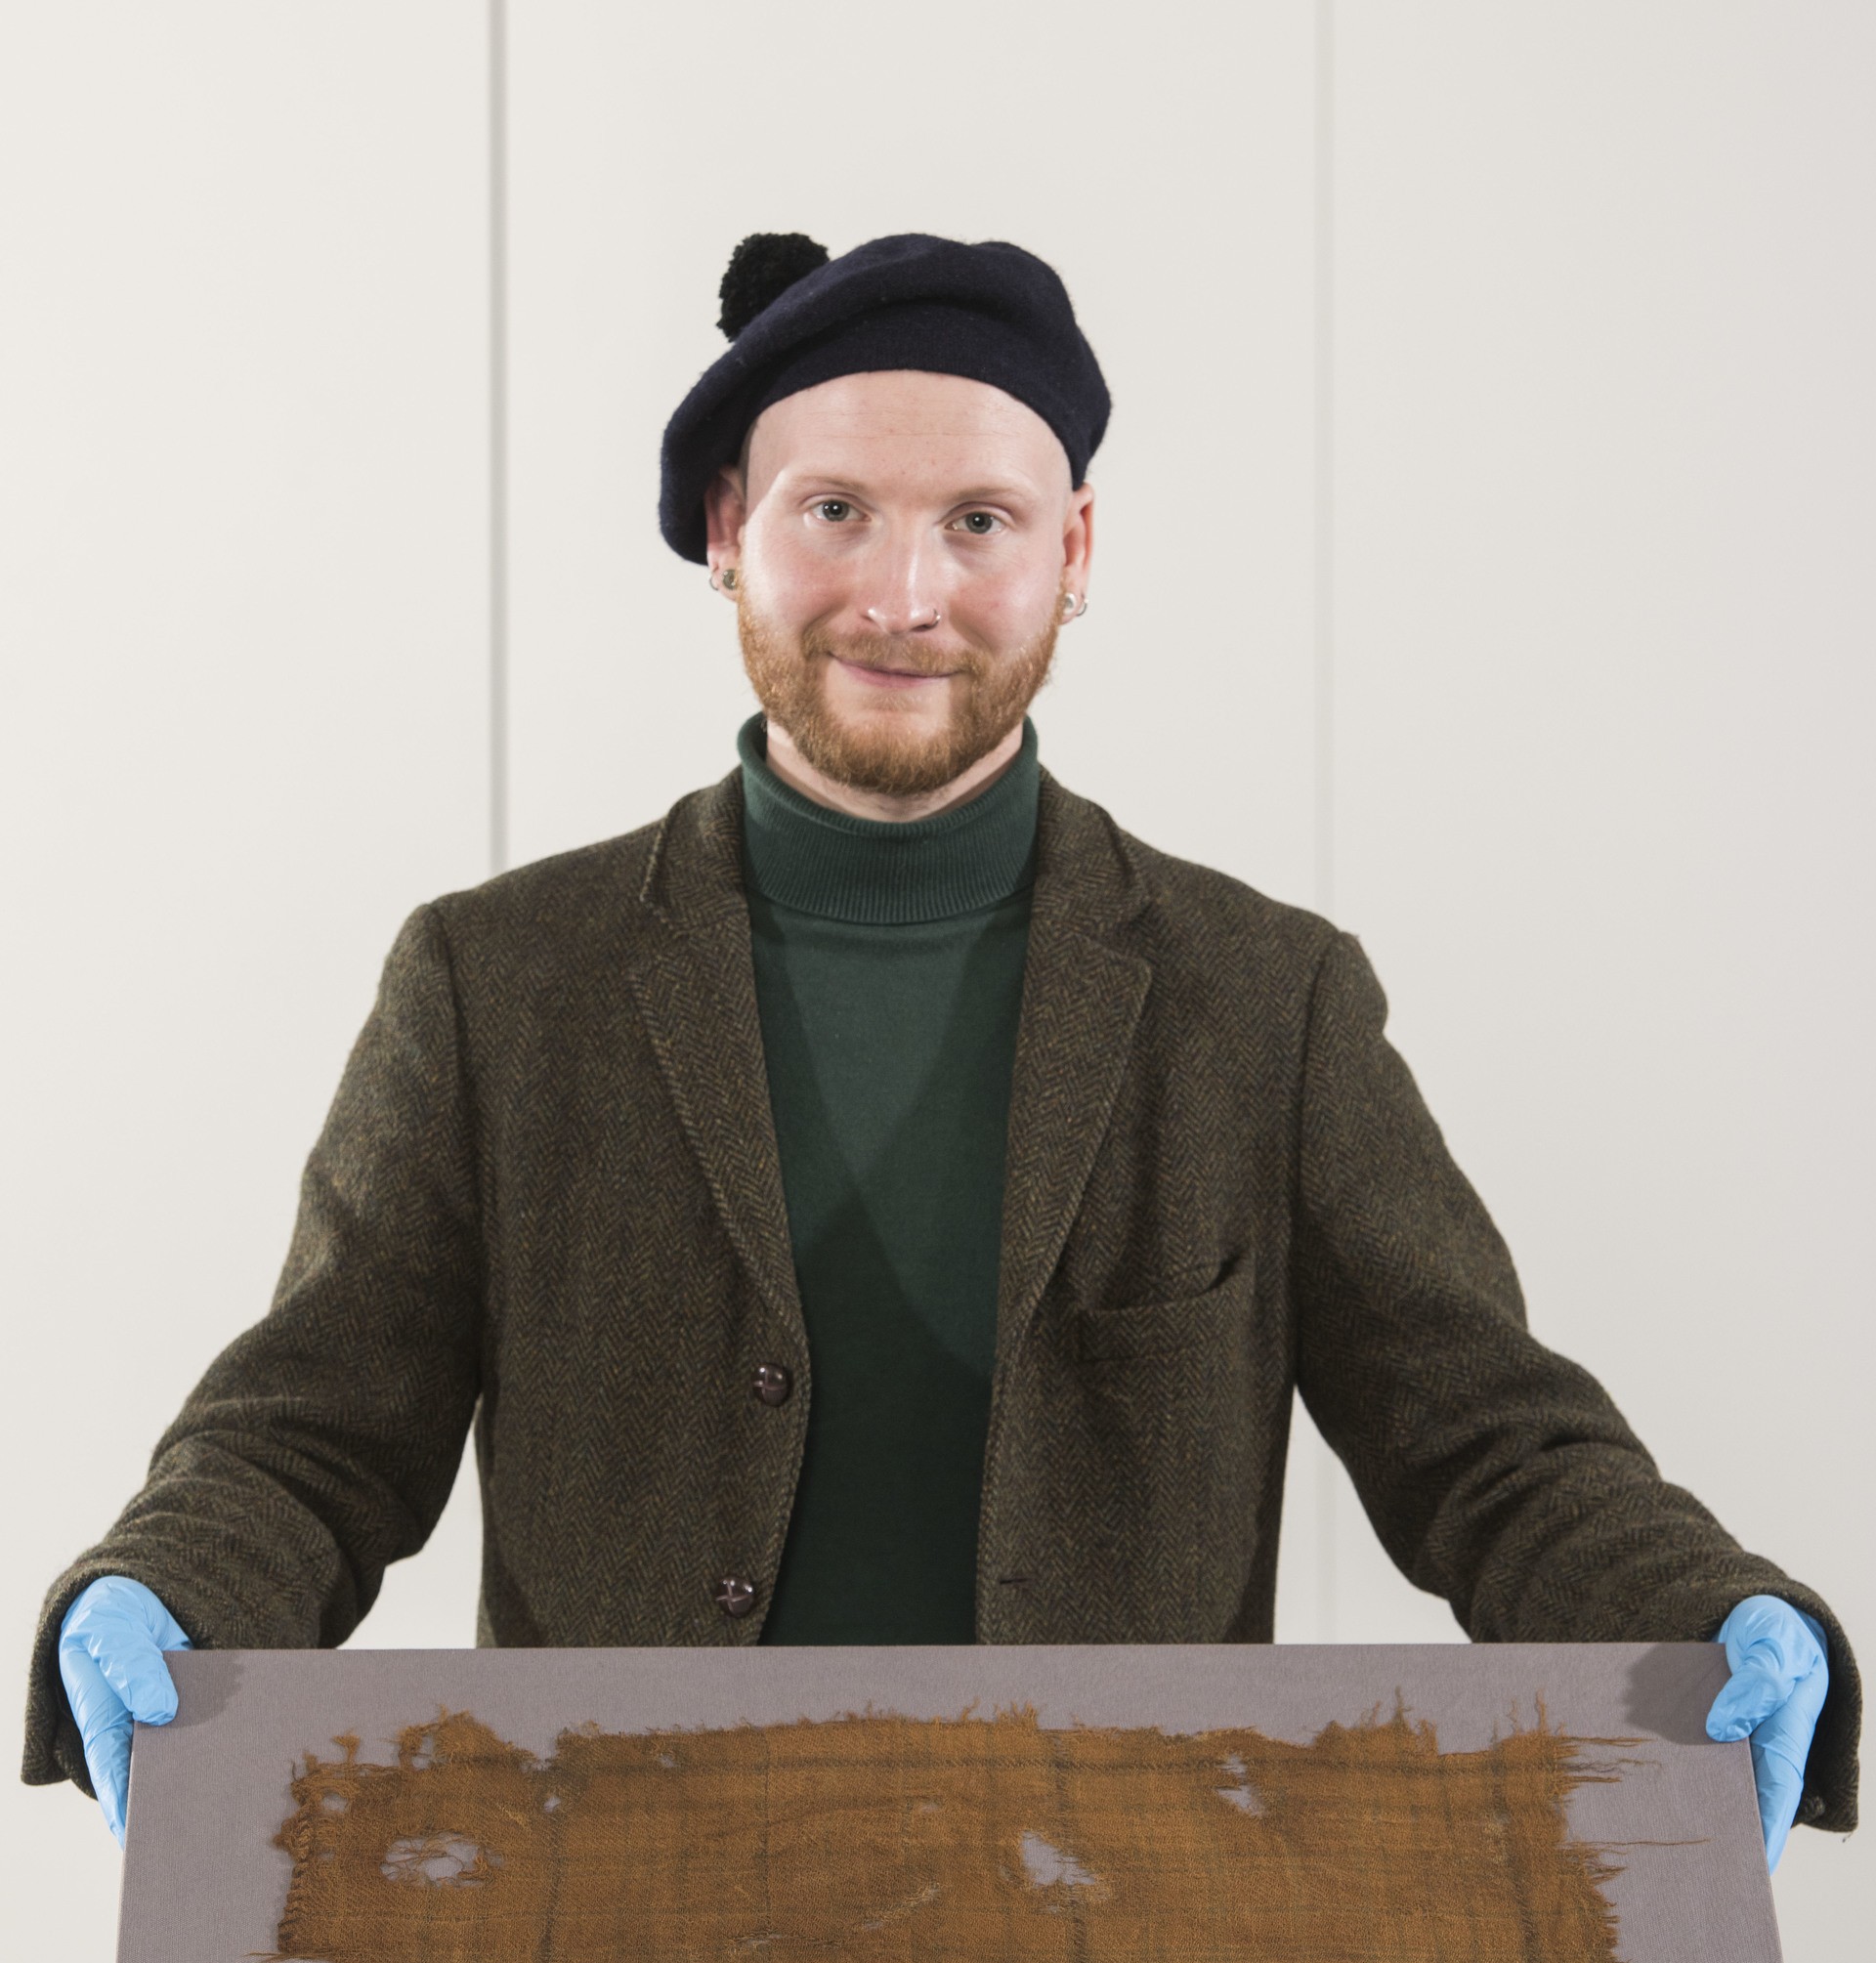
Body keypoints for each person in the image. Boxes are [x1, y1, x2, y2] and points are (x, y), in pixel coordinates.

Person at [27, 231, 1855, 1869]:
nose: (903, 594)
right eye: (837, 512)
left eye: (978, 521)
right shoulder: (496, 986)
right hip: (618, 1948)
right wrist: (159, 1577)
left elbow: (1491, 1453)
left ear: (1073, 555)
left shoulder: (1261, 1002)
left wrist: (1713, 1609)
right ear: (733, 529)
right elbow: (316, 1434)